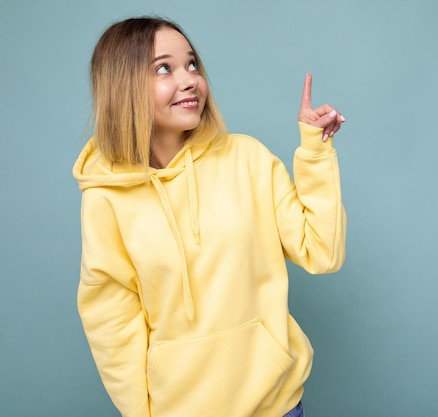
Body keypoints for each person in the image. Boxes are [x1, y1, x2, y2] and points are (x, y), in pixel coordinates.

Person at [73, 16, 346, 417]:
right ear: (123, 85)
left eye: (192, 64)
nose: (190, 80)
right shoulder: (106, 198)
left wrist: (315, 152)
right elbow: (111, 322)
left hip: (277, 406)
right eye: (164, 68)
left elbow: (322, 254)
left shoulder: (247, 158)